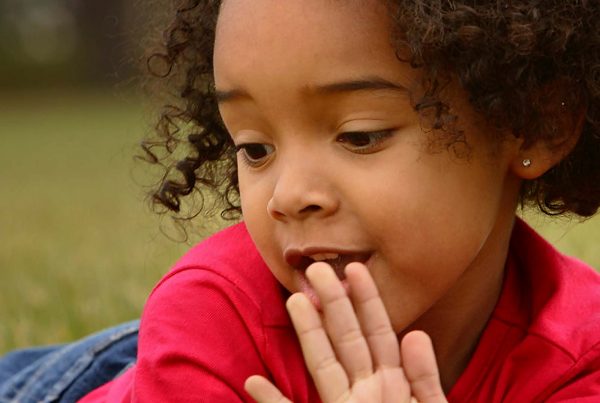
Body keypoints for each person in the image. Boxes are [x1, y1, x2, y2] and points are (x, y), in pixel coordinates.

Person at [2, 0, 600, 401]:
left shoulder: (581, 357)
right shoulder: (214, 319)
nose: (287, 197)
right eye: (255, 148)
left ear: (537, 122)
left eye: (360, 136)